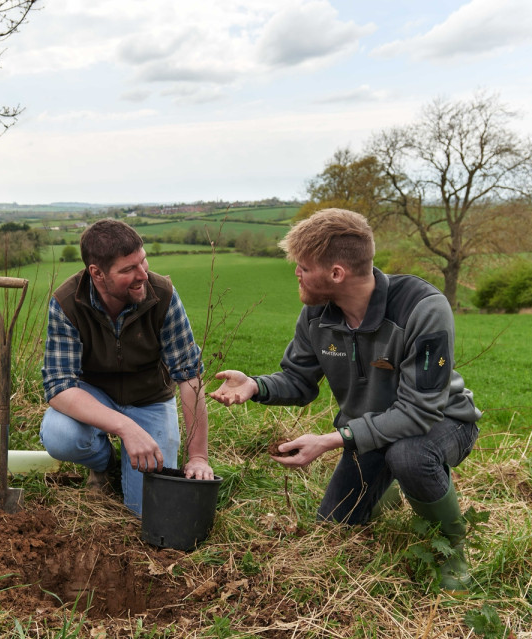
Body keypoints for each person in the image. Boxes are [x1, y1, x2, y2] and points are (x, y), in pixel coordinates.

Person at [209, 208, 480, 592]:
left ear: (337, 273)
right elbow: (299, 381)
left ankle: (451, 549)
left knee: (409, 456)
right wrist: (255, 386)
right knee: (334, 525)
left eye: (303, 266)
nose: (296, 273)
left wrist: (330, 441)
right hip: (368, 433)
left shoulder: (423, 309)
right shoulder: (315, 315)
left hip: (443, 423)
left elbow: (419, 411)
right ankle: (385, 491)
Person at [40, 219, 214, 516]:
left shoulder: (163, 295)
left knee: (148, 510)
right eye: (128, 270)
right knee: (60, 435)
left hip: (149, 399)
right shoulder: (67, 302)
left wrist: (197, 456)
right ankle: (104, 464)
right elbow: (59, 387)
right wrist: (125, 427)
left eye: (143, 262)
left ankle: (131, 471)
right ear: (97, 273)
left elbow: (189, 376)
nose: (142, 275)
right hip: (94, 396)